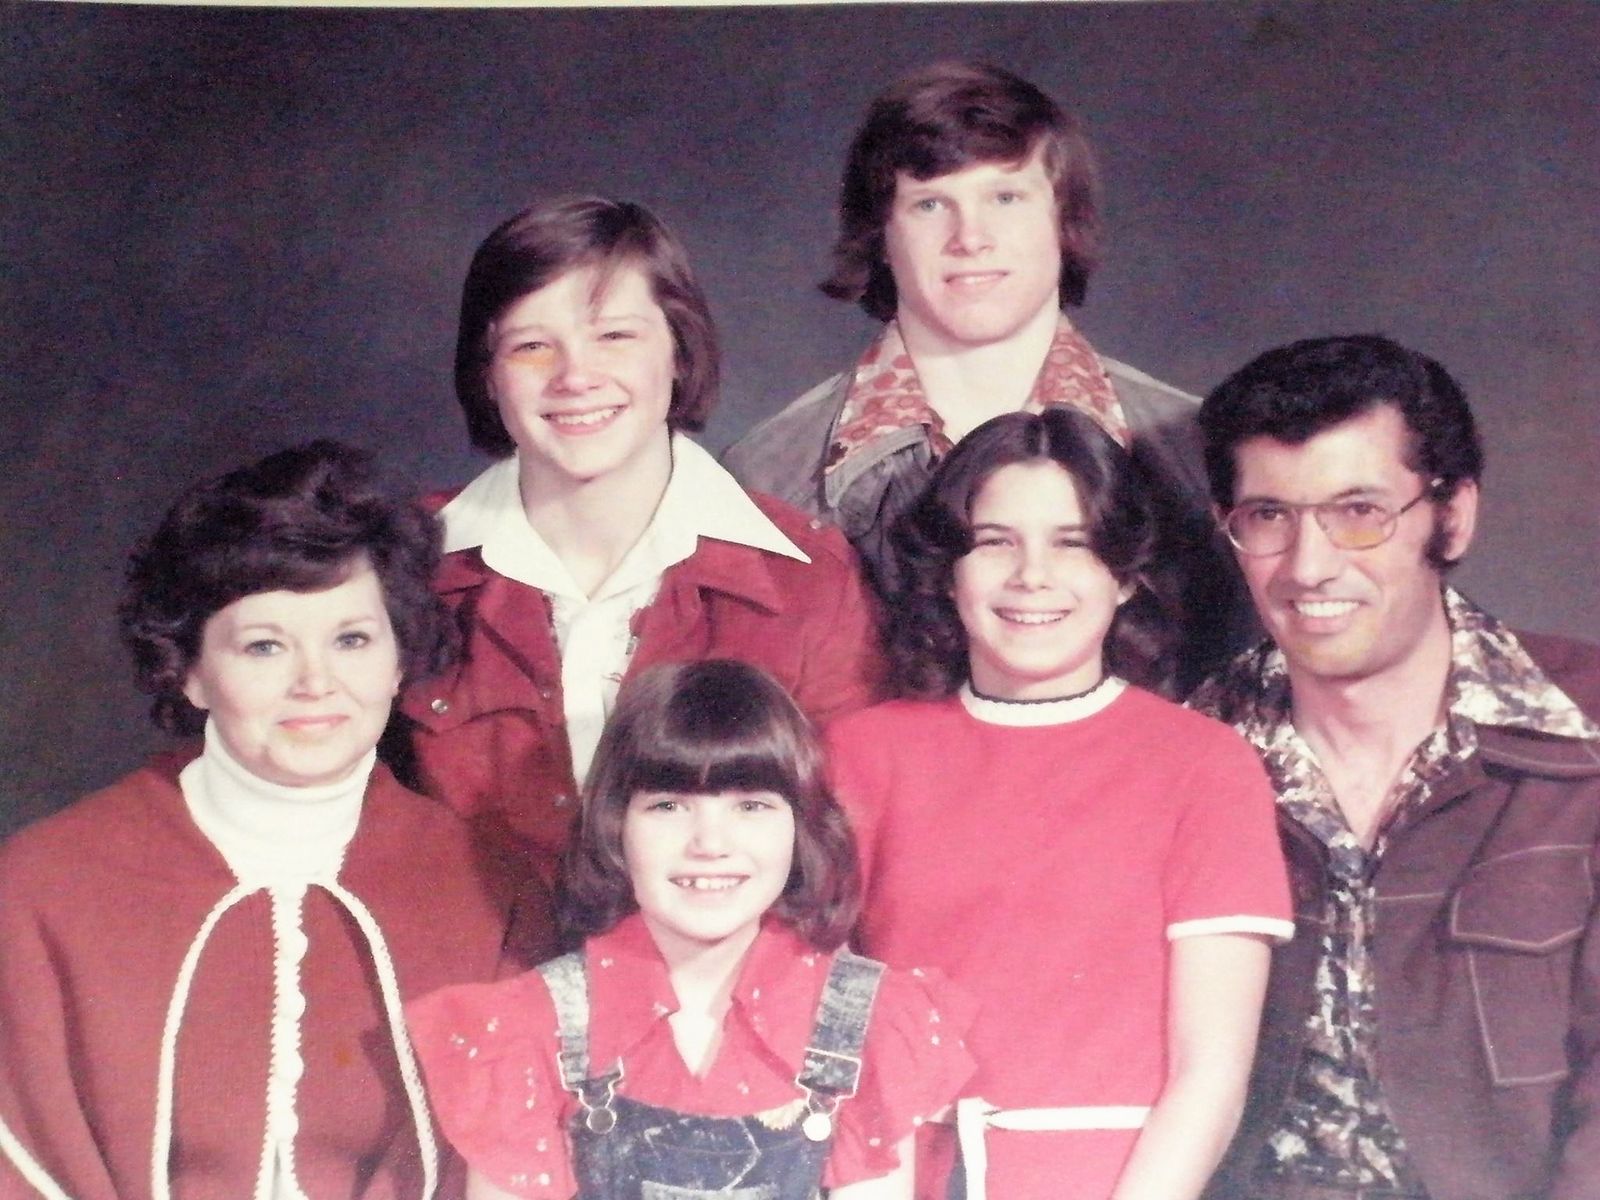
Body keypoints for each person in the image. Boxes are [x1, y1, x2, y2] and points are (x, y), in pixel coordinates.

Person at [0, 442, 521, 1200]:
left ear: (399, 659)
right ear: (189, 672)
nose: (315, 682)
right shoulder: (40, 888)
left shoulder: (492, 891)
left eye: (351, 639)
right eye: (264, 646)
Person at [826, 408, 1294, 1200]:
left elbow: (1209, 1076)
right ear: (949, 570)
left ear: (1125, 573)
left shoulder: (1203, 766)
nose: (1031, 576)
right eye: (994, 541)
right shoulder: (859, 754)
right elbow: (822, 1025)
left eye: (1072, 543)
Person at [1189, 335, 1600, 1200]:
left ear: (1452, 517)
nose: (1309, 567)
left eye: (1359, 511)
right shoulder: (1180, 757)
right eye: (1269, 516)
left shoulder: (1587, 740)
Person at [395, 196, 882, 895]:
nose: (575, 377)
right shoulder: (405, 569)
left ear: (679, 351)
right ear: (487, 374)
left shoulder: (809, 580)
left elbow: (844, 856)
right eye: (531, 346)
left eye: (615, 336)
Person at [723, 60, 1247, 690]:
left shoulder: (1197, 450)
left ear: (1064, 219)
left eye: (1005, 197)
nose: (970, 238)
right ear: (880, 234)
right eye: (929, 203)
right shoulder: (766, 479)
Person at [406, 659, 974, 1200]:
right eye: (669, 806)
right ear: (615, 824)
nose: (710, 843)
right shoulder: (530, 1027)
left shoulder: (869, 1022)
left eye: (750, 806)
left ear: (800, 826)